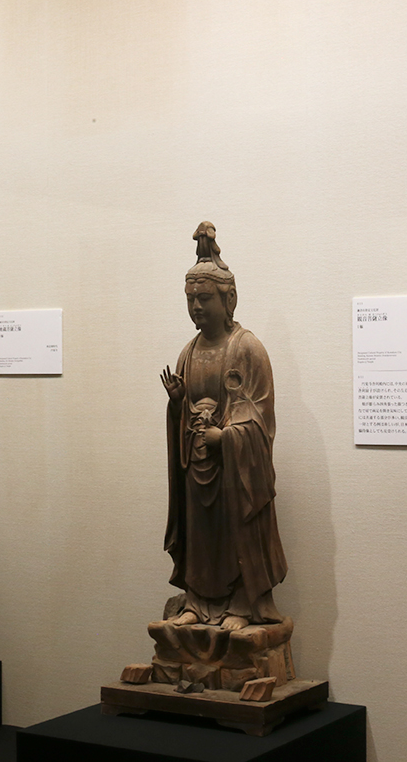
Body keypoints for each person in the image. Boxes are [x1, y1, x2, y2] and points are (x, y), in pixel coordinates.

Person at [160, 223, 287, 631]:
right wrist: (178, 406)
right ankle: (197, 602)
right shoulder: (188, 352)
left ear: (228, 298)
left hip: (234, 471)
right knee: (199, 536)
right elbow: (183, 416)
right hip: (197, 467)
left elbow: (260, 417)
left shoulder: (247, 348)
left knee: (235, 532)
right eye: (190, 299)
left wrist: (228, 437)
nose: (196, 307)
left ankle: (242, 603)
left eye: (205, 298)